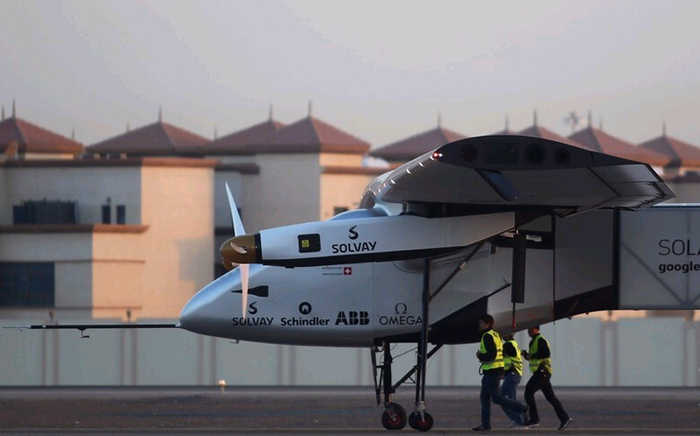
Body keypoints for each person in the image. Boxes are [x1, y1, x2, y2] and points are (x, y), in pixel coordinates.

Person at [472, 314, 528, 432]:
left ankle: (521, 407)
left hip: (492, 372)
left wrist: (480, 355)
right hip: (494, 371)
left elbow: (491, 355)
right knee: (485, 398)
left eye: (481, 323)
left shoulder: (487, 336)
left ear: (487, 324)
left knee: (496, 398)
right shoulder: (496, 334)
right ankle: (486, 425)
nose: (479, 325)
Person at [522, 326, 572, 431]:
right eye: (528, 330)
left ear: (536, 329)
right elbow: (533, 357)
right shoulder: (533, 342)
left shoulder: (540, 340)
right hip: (541, 372)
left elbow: (545, 354)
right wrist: (526, 355)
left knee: (528, 391)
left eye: (530, 329)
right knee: (551, 397)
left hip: (542, 372)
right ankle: (565, 418)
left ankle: (534, 419)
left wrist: (532, 356)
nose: (528, 332)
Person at [500, 333, 525, 427]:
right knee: (505, 399)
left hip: (512, 374)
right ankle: (518, 419)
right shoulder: (513, 343)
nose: (502, 336)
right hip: (512, 374)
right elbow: (508, 360)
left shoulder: (508, 344)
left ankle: (522, 417)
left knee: (504, 399)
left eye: (504, 333)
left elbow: (499, 355)